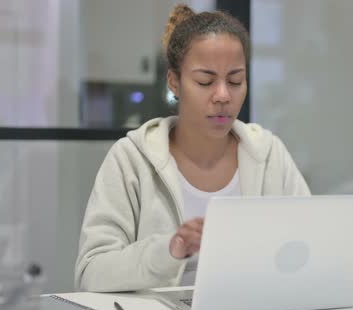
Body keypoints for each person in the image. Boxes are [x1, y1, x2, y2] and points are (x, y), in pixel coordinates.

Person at [74, 4, 310, 292]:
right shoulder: (132, 159)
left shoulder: (268, 154)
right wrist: (171, 249)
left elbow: (308, 249)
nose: (223, 95)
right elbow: (91, 273)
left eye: (235, 80)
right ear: (174, 82)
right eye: (205, 81)